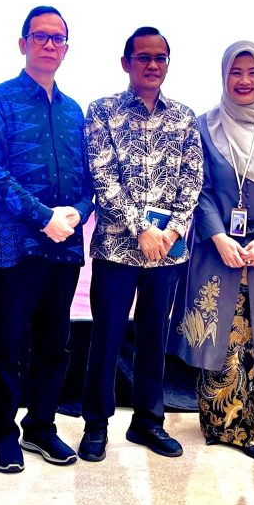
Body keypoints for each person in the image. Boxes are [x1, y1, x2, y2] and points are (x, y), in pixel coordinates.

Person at [0, 6, 95, 473]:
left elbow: (89, 179)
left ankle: (41, 426)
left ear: (66, 49)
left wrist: (78, 213)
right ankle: (3, 434)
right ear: (23, 43)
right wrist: (43, 217)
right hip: (12, 246)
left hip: (64, 246)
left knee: (54, 344)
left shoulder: (74, 110)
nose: (49, 44)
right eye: (40, 36)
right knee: (6, 345)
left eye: (58, 38)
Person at [169, 41, 254, 460]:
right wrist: (219, 238)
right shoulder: (205, 125)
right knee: (221, 334)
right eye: (236, 72)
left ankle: (252, 428)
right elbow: (199, 188)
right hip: (216, 247)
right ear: (224, 75)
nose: (244, 81)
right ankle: (218, 424)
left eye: (252, 72)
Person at [78, 27, 203, 462]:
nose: (152, 65)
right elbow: (102, 176)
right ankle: (96, 424)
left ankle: (148, 422)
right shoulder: (102, 111)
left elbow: (192, 179)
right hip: (117, 248)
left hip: (167, 252)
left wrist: (172, 231)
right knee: (106, 337)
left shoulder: (184, 117)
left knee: (154, 339)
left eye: (160, 58)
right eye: (143, 57)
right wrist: (141, 230)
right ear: (126, 63)